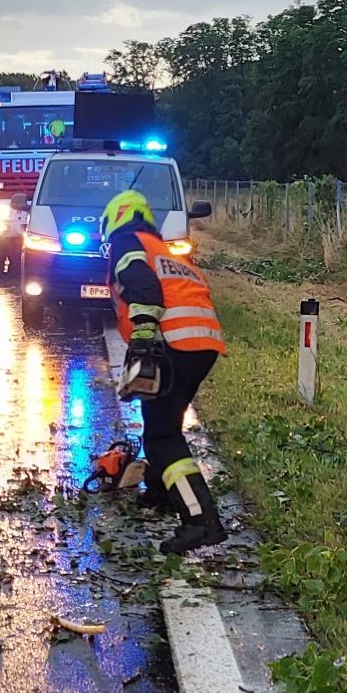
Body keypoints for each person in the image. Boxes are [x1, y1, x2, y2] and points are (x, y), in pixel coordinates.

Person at [104, 189, 227, 555]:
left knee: (161, 437)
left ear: (115, 219)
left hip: (171, 341)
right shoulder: (162, 249)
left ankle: (200, 520)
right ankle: (159, 491)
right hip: (202, 343)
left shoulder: (127, 242)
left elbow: (143, 287)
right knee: (161, 420)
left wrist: (142, 336)